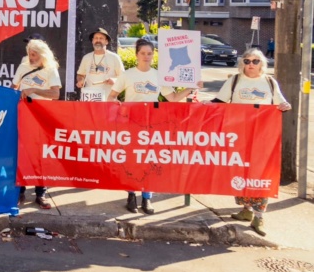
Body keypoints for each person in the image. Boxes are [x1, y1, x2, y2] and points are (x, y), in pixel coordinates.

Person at [108, 39, 201, 215]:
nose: (146, 56)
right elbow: (111, 97)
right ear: (136, 55)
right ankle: (131, 196)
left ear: (153, 55)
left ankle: (147, 197)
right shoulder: (127, 75)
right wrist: (118, 105)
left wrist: (190, 88)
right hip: (131, 124)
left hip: (152, 125)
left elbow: (172, 98)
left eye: (149, 53)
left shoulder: (159, 76)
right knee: (132, 160)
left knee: (150, 160)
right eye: (142, 53)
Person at [212, 48, 290, 237]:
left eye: (255, 61)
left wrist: (286, 106)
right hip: (239, 136)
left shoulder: (270, 82)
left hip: (264, 137)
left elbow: (281, 104)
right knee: (241, 171)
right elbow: (218, 102)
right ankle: (246, 209)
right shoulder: (235, 81)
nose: (251, 65)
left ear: (262, 63)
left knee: (261, 174)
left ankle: (259, 216)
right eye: (247, 61)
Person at [13, 36, 61, 209]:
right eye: (30, 54)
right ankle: (19, 192)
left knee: (41, 156)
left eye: (35, 55)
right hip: (24, 116)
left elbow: (55, 94)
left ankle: (41, 193)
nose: (32, 58)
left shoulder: (50, 70)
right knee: (22, 154)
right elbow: (14, 87)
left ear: (43, 55)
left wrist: (35, 89)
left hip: (42, 117)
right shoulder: (23, 66)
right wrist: (16, 94)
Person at [76, 27, 124, 101]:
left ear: (106, 42)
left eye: (101, 38)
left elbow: (123, 77)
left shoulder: (114, 58)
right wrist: (80, 80)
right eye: (96, 38)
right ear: (92, 41)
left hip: (108, 100)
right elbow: (80, 74)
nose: (98, 40)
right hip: (89, 99)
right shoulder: (86, 57)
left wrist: (115, 80)